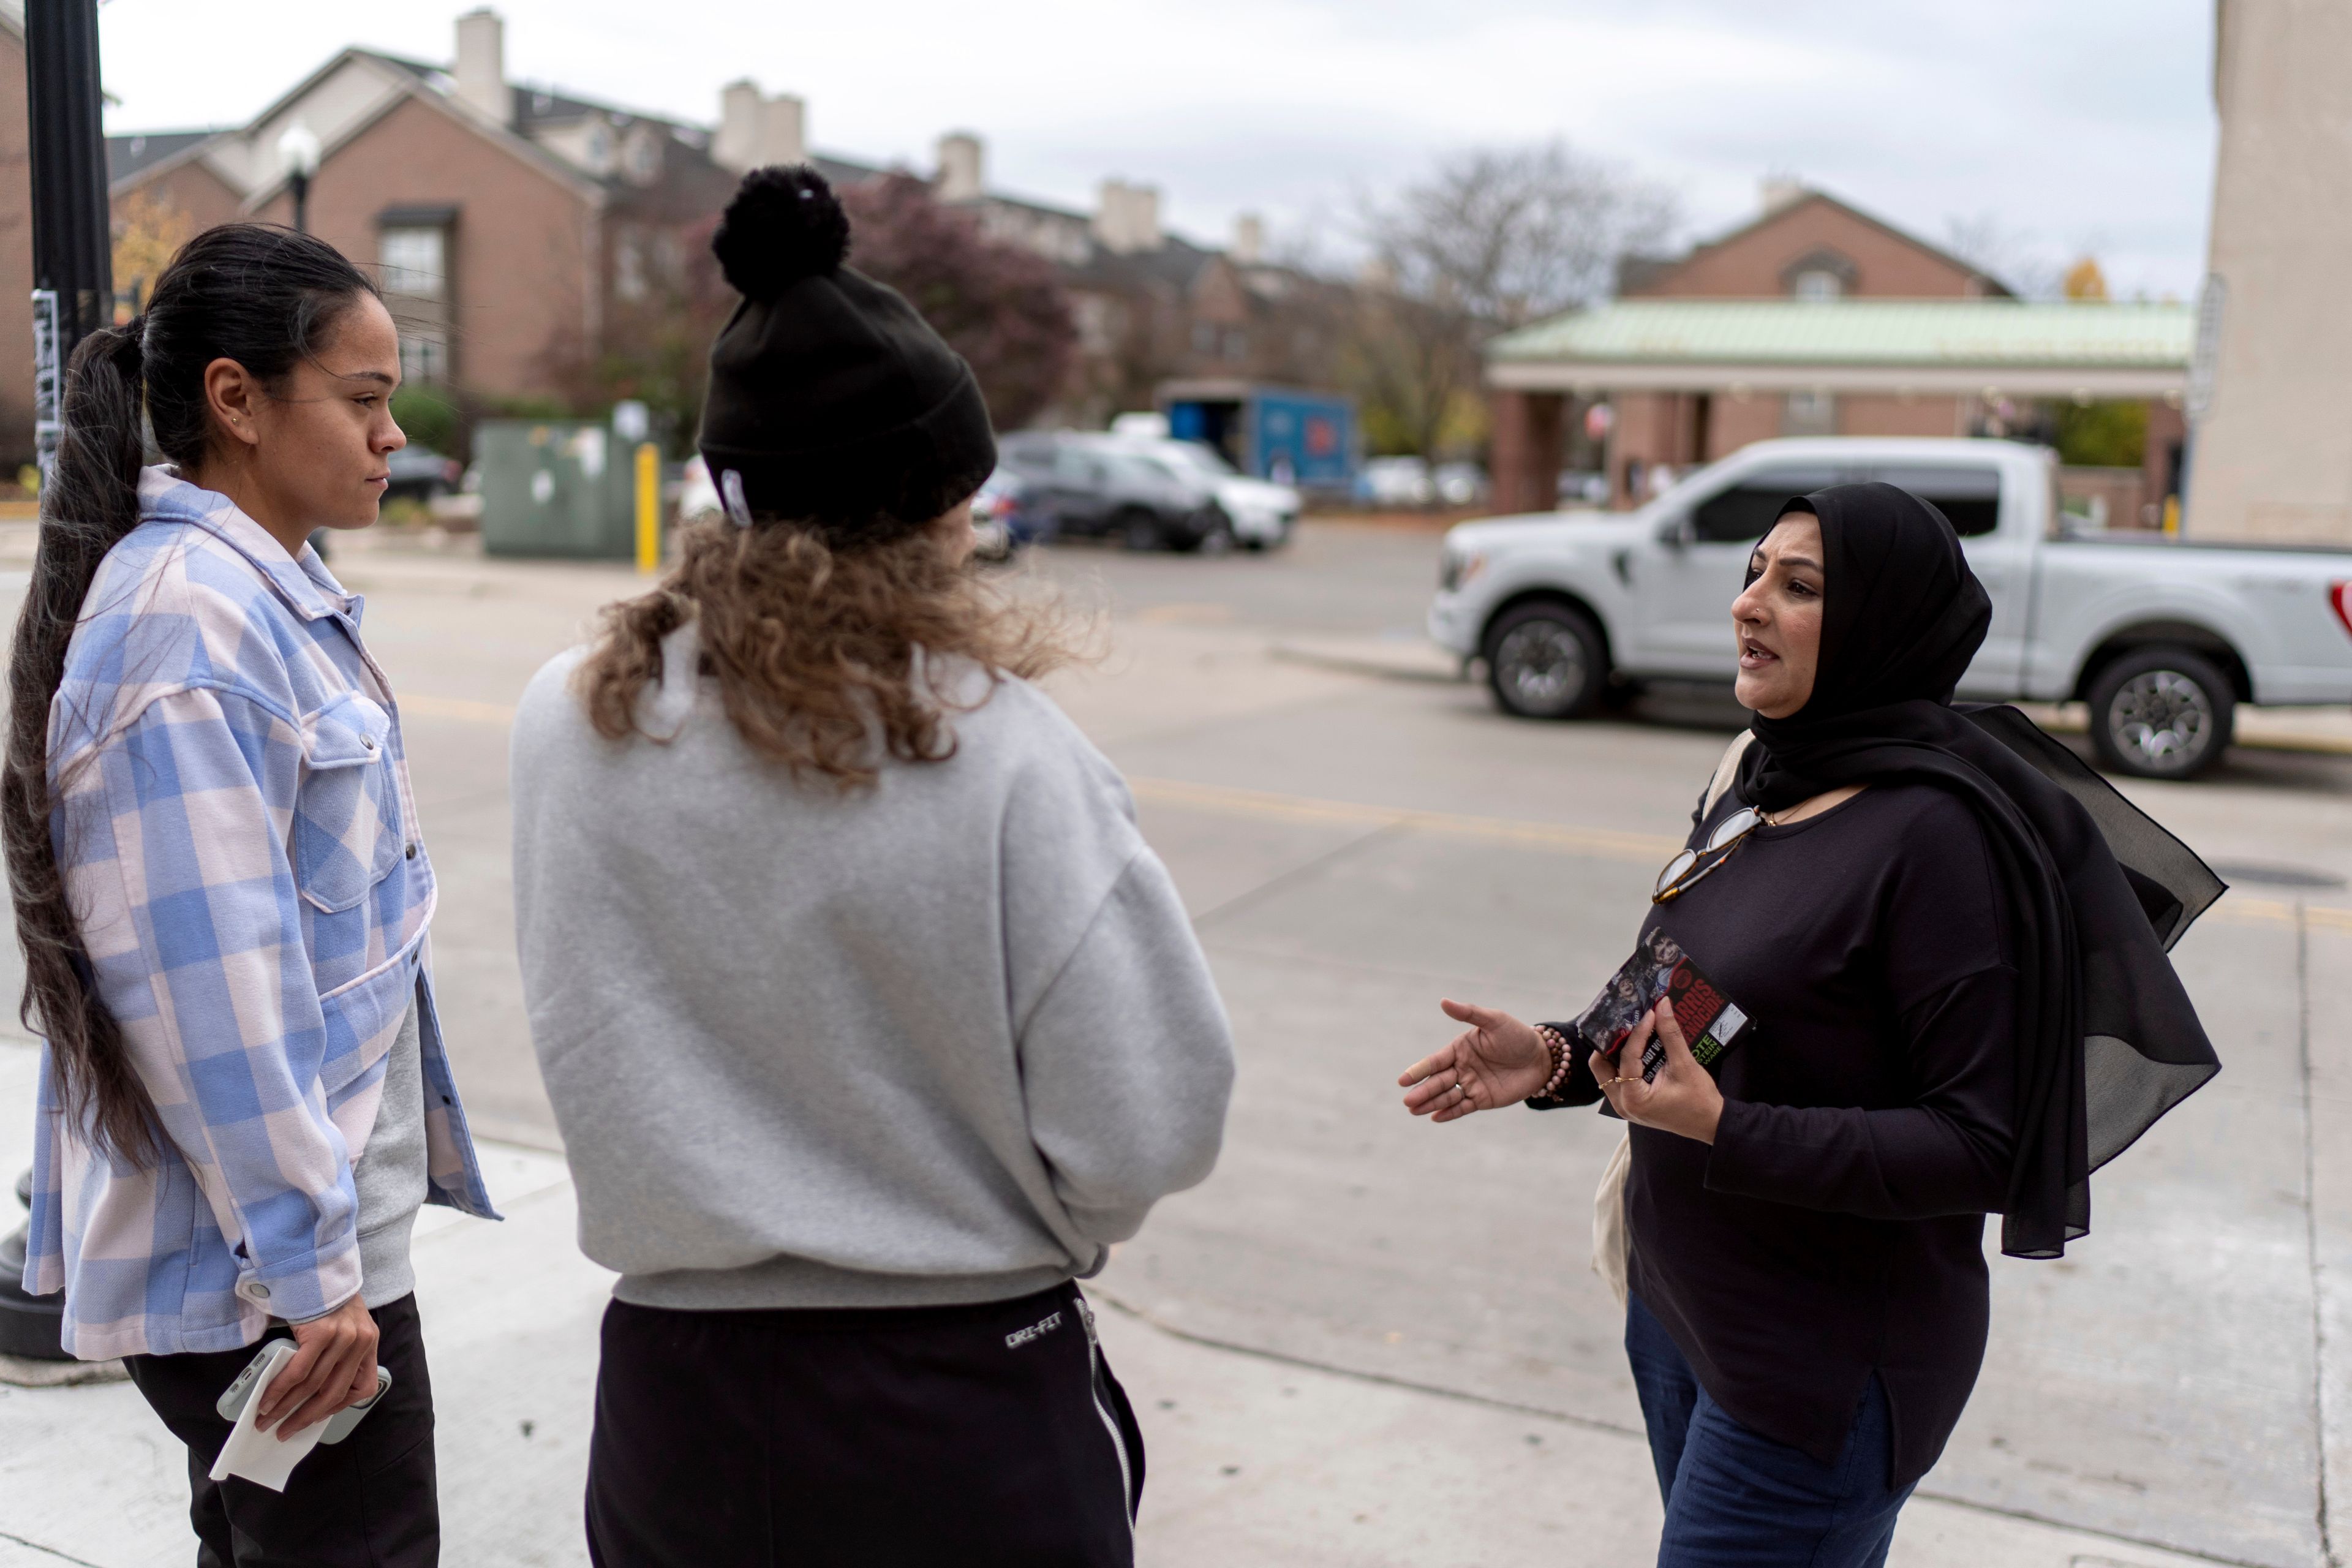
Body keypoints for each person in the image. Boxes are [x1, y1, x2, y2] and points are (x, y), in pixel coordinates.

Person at [510, 166, 1235, 1568]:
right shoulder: (1010, 756)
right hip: (954, 1398)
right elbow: (1150, 1120)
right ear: (934, 505)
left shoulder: (570, 718)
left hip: (678, 1403)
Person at [1398, 483, 2220, 1566]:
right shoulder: (1766, 776)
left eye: (1801, 587)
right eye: (1754, 572)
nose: (1750, 604)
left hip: (1817, 1379)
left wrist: (1728, 1132)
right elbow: (1688, 996)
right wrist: (1555, 1058)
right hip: (1683, 1316)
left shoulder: (1937, 843)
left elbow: (1984, 1142)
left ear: (1884, 623)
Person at [7, 224, 497, 1566]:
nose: (394, 431)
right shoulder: (192, 628)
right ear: (236, 398)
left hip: (291, 1263)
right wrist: (311, 1274)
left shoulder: (258, 594)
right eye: (363, 396)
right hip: (277, 1285)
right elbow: (215, 992)